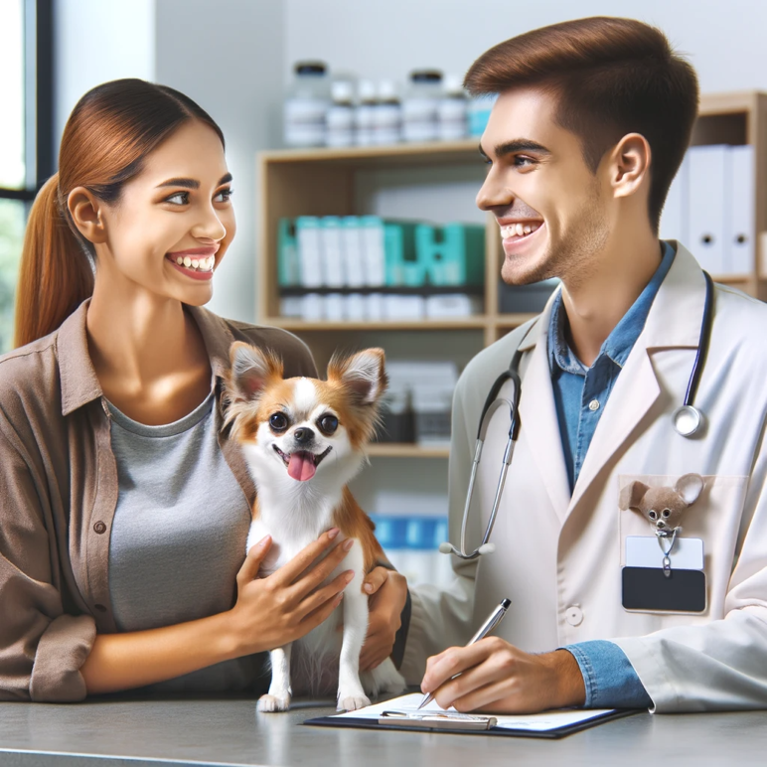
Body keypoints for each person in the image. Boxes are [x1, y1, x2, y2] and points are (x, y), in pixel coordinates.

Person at [399, 17, 767, 713]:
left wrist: (575, 673)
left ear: (625, 166)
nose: (488, 193)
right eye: (489, 161)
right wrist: (390, 620)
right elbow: (480, 608)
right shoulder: (489, 382)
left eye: (522, 159)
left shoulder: (755, 362)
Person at [0, 79, 406, 702]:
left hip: (278, 736)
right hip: (91, 744)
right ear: (90, 214)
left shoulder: (280, 370)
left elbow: (339, 539)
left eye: (222, 194)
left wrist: (387, 590)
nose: (214, 227)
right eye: (178, 198)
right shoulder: (17, 401)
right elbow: (15, 656)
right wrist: (235, 633)